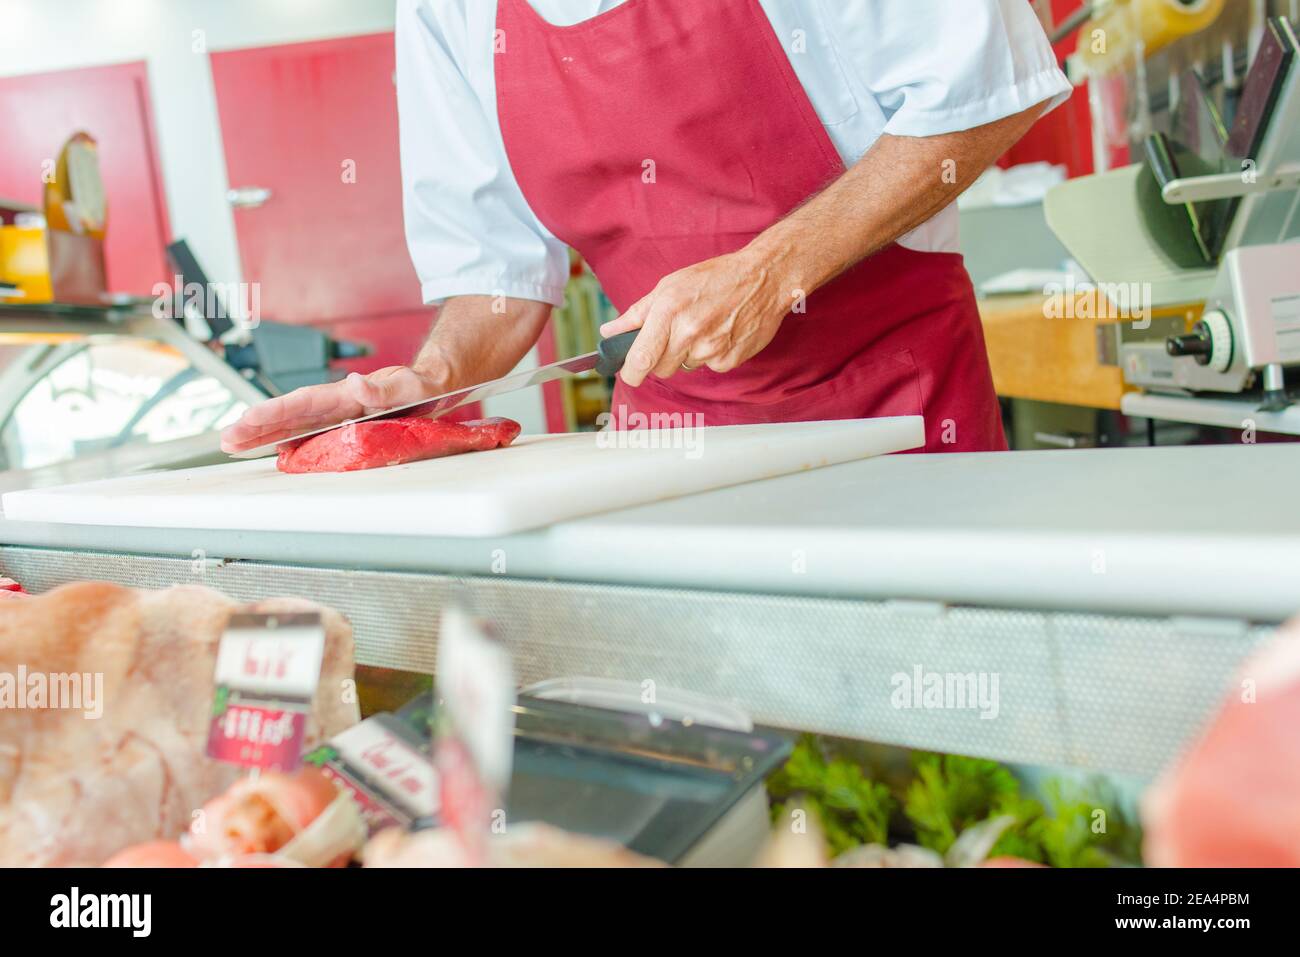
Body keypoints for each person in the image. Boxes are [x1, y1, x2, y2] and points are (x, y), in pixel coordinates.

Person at [221, 0, 1071, 455]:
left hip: (893, 408)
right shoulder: (447, 11)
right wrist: (425, 382)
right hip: (666, 445)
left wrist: (771, 272)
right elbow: (498, 274)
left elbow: (988, 93)